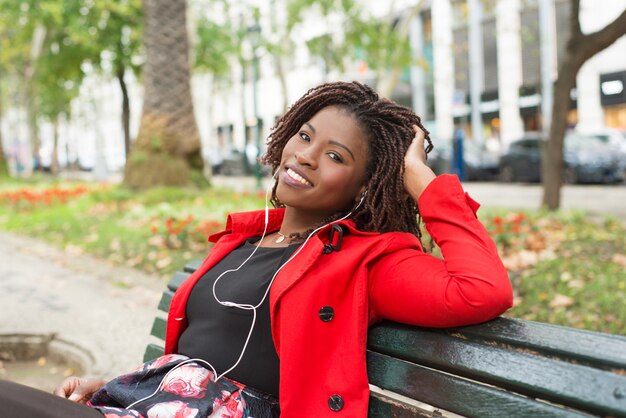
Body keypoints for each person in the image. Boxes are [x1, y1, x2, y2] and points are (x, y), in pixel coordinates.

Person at [1, 81, 512, 418]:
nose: (306, 156)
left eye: (334, 155)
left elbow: (480, 290)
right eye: (305, 136)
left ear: (364, 186)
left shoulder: (366, 262)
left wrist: (419, 178)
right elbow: (200, 358)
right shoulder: (241, 240)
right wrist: (114, 388)